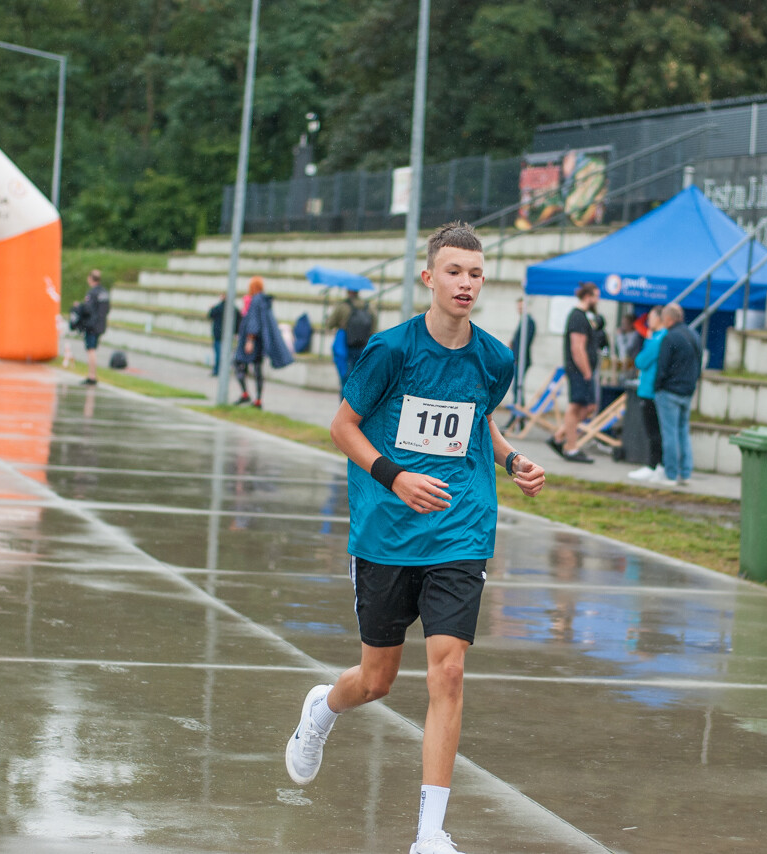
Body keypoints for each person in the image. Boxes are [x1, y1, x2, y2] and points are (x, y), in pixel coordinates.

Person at [285, 222, 545, 854]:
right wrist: (396, 478)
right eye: (454, 271)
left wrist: (512, 461)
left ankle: (430, 833)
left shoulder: (495, 358)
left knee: (448, 670)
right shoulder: (390, 351)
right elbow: (343, 427)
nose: (465, 283)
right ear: (429, 278)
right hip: (387, 531)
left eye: (475, 273)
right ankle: (323, 708)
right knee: (376, 680)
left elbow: (479, 421)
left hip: (461, 527)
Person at [547, 281, 601, 463]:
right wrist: (587, 372)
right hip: (579, 370)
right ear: (587, 297)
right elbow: (577, 348)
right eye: (596, 296)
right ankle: (571, 448)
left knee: (587, 408)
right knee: (576, 406)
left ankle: (559, 437)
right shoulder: (577, 317)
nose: (597, 300)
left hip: (583, 370)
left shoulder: (585, 316)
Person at [652, 303, 702, 487]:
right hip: (687, 391)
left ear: (668, 319)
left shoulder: (670, 337)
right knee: (683, 433)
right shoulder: (694, 335)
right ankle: (685, 473)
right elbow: (699, 363)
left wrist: (657, 387)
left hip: (669, 391)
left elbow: (662, 366)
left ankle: (671, 474)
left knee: (670, 434)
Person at [234, 275, 294, 406]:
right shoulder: (263, 300)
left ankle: (246, 394)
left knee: (238, 363)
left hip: (252, 341)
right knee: (257, 370)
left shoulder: (256, 300)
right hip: (260, 342)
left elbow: (254, 321)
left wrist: (249, 340)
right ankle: (258, 399)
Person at [627, 306, 666, 483]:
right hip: (651, 388)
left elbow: (641, 361)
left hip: (649, 390)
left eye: (651, 317)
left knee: (653, 430)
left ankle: (654, 465)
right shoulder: (659, 337)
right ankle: (656, 465)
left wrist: (647, 341)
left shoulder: (657, 338)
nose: (648, 321)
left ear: (659, 318)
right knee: (655, 430)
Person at [327, 288, 377, 378]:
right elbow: (374, 329)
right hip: (363, 347)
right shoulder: (369, 307)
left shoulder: (343, 306)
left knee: (347, 376)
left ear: (348, 291)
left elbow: (330, 324)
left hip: (346, 346)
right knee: (360, 376)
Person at [79, 270, 110, 386]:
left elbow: (88, 309)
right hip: (100, 324)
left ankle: (91, 376)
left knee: (91, 350)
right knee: (93, 349)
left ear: (90, 278)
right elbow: (107, 309)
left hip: (92, 325)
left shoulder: (92, 293)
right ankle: (92, 375)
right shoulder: (104, 292)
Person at [507, 296, 536, 408]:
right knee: (517, 387)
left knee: (517, 387)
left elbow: (525, 343)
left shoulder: (528, 322)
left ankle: (519, 412)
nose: (519, 309)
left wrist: (517, 358)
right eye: (518, 307)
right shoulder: (523, 321)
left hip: (521, 359)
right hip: (519, 358)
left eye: (521, 307)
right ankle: (518, 412)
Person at [207, 293, 241, 377]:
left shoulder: (218, 307)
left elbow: (210, 315)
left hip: (218, 334)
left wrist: (211, 308)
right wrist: (236, 332)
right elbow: (239, 319)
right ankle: (225, 370)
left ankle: (217, 370)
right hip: (228, 335)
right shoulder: (233, 308)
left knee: (218, 353)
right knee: (227, 353)